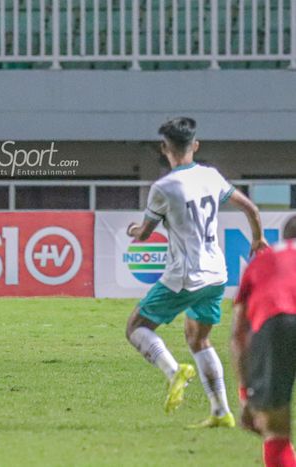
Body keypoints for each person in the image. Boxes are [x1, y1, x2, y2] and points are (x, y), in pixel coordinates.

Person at [124, 117, 268, 427]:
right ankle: (221, 412)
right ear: (195, 145)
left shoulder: (163, 187)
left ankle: (174, 371)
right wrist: (257, 239)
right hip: (216, 274)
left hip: (185, 275)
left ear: (165, 149)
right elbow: (252, 209)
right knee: (199, 340)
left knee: (136, 328)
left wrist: (134, 229)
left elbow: (145, 233)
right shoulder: (211, 176)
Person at [232, 216, 296, 467]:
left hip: (276, 322)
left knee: (275, 428)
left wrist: (245, 395)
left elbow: (239, 333)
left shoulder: (262, 261)